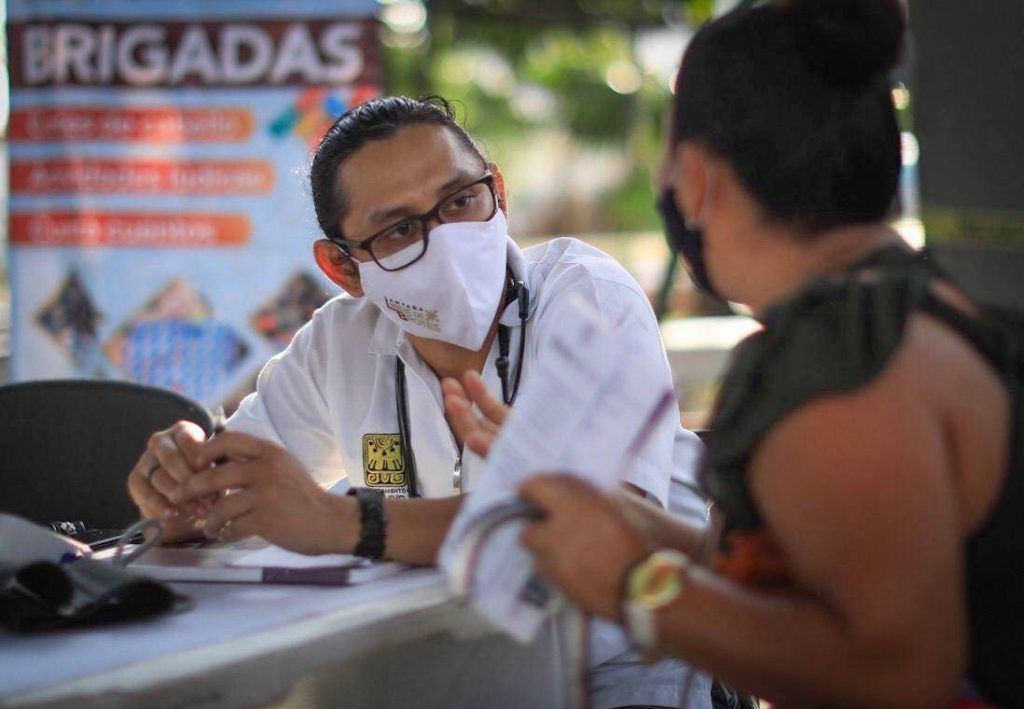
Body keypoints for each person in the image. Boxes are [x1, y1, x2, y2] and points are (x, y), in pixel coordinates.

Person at [448, 1, 1023, 706]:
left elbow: (895, 674)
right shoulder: (910, 307)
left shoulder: (844, 363)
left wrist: (636, 585)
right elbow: (799, 572)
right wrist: (613, 516)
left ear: (696, 177)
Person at [125, 96, 712, 708]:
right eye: (400, 229)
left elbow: (588, 529)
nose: (447, 240)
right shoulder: (337, 345)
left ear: (499, 195)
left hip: (624, 661)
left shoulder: (586, 297)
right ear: (343, 269)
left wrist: (341, 523)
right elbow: (228, 493)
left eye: (461, 200)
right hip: (442, 660)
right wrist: (185, 502)